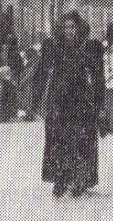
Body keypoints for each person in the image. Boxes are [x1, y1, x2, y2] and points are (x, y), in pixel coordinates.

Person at [33, 11, 106, 198]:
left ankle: (79, 178)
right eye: (66, 27)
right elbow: (41, 71)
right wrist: (36, 99)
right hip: (59, 100)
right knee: (58, 140)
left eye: (72, 27)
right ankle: (60, 178)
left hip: (80, 99)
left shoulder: (88, 47)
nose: (69, 31)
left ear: (78, 28)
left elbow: (98, 77)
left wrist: (100, 103)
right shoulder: (55, 46)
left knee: (81, 140)